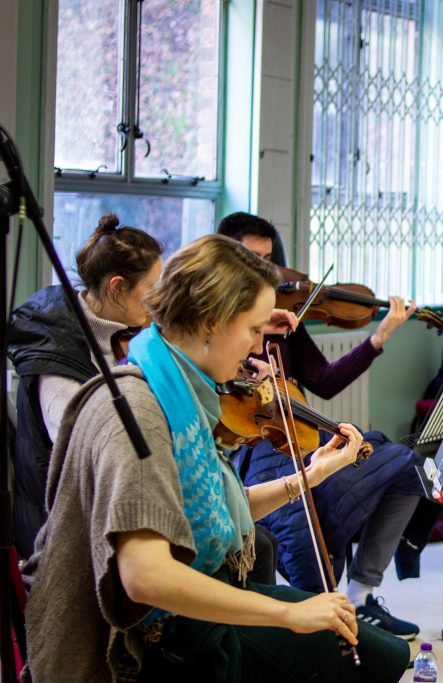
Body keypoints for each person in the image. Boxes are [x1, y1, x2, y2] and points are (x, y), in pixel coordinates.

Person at [22, 234, 409, 682]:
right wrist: (285, 615)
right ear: (210, 323)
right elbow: (144, 578)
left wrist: (310, 475)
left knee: (378, 648)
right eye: (253, 329)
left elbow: (218, 506)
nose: (257, 347)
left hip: (185, 619)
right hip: (154, 643)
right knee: (371, 657)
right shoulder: (140, 411)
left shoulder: (176, 385)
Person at [218, 212, 423, 640]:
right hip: (253, 446)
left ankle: (362, 596)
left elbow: (325, 381)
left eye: (269, 260)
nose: (264, 272)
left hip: (299, 432)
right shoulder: (216, 322)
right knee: (299, 529)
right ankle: (315, 604)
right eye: (250, 259)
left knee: (404, 464)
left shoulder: (281, 317)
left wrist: (380, 336)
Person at [8, 214, 163, 560]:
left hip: (106, 496)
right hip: (65, 521)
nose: (157, 300)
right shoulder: (56, 357)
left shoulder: (119, 325)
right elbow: (86, 449)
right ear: (116, 287)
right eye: (151, 289)